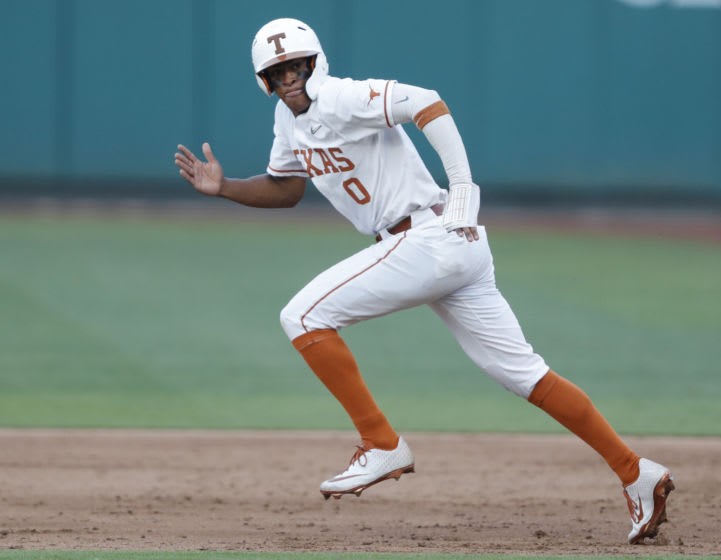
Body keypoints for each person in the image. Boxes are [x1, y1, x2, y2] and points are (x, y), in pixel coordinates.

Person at [173, 18, 674, 544]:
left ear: (315, 63)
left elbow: (427, 102)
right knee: (526, 376)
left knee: (303, 315)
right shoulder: (287, 121)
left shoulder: (342, 97)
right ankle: (637, 473)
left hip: (429, 236)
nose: (290, 75)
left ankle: (380, 442)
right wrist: (225, 186)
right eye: (279, 70)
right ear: (265, 80)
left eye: (296, 64)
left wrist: (462, 184)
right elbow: (286, 189)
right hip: (447, 249)